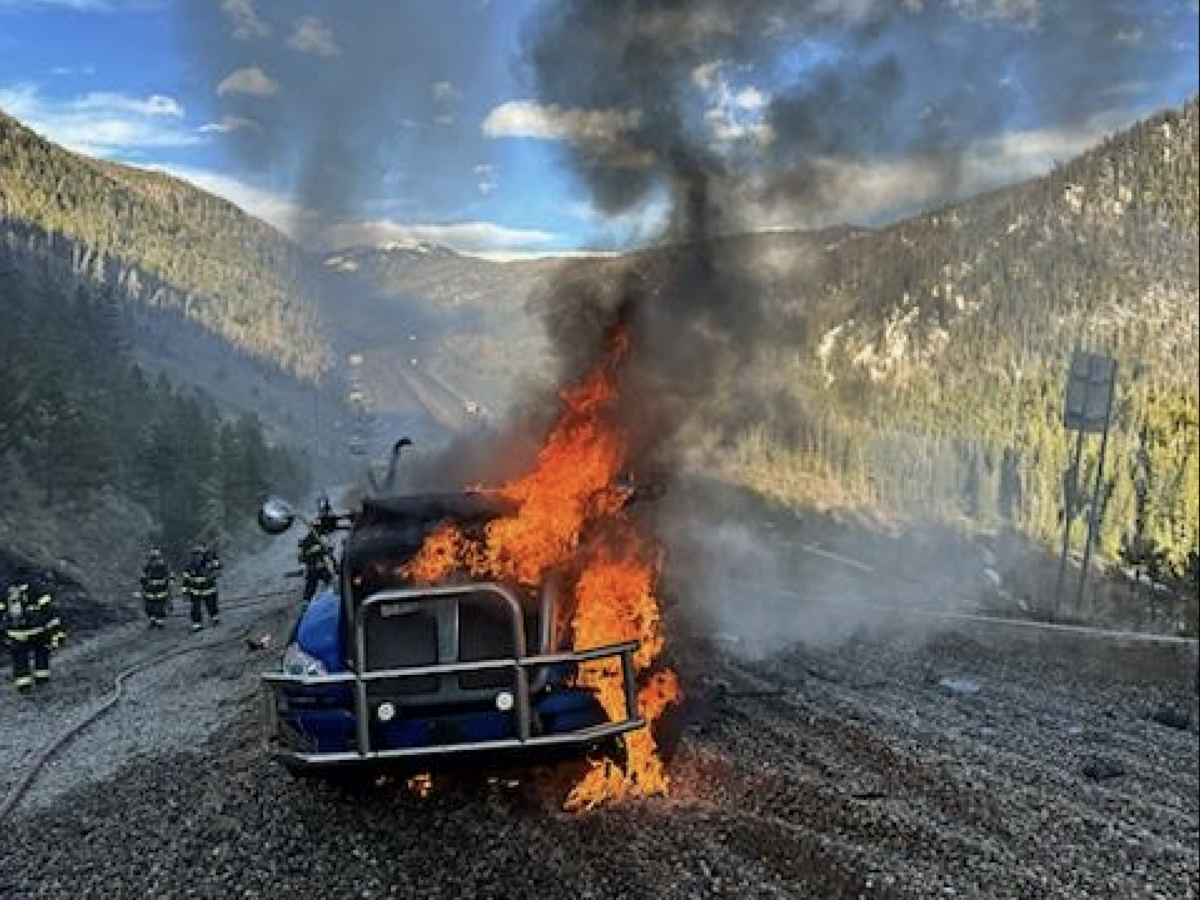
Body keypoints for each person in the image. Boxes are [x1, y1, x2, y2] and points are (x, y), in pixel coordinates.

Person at [4, 568, 65, 692]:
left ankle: (23, 687)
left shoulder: (5, 592)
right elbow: (50, 612)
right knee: (41, 655)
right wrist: (57, 634)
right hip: (37, 632)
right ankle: (42, 682)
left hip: (15, 635)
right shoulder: (38, 590)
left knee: (20, 660)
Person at [181, 545, 219, 631]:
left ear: (203, 555)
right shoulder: (189, 567)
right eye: (195, 555)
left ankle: (215, 618)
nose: (197, 557)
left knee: (211, 605)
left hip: (209, 590)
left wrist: (214, 555)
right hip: (195, 592)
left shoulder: (209, 563)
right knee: (195, 608)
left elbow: (218, 568)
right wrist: (185, 592)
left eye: (199, 554)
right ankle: (197, 624)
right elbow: (185, 580)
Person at [298, 528, 335, 602]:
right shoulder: (313, 540)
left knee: (314, 583)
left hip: (319, 567)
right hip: (315, 568)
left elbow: (328, 552)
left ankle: (306, 601)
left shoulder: (315, 539)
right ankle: (306, 601)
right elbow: (327, 551)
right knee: (312, 584)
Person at [139, 547, 172, 628]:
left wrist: (169, 582)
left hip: (161, 591)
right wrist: (143, 581)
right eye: (153, 557)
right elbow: (142, 577)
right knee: (149, 608)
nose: (155, 560)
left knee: (159, 608)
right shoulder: (147, 566)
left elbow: (170, 575)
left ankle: (160, 622)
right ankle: (152, 621)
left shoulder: (164, 566)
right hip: (149, 592)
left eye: (156, 557)